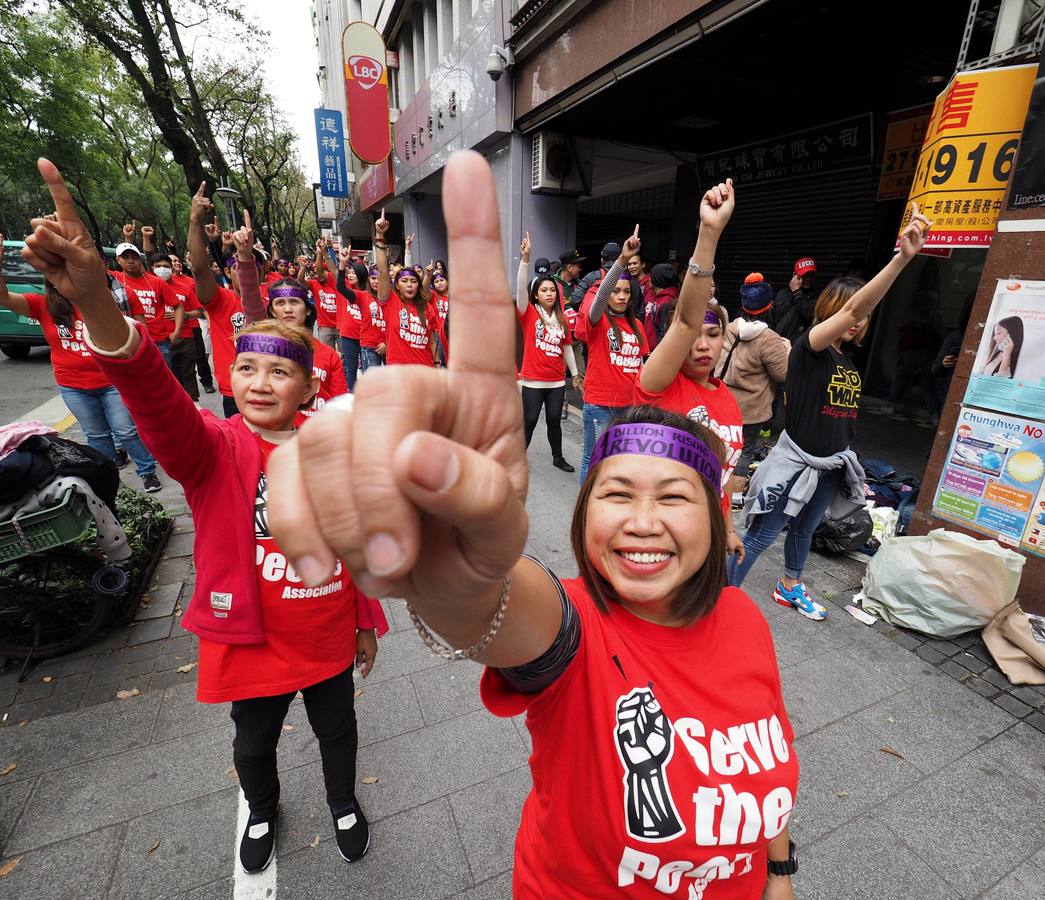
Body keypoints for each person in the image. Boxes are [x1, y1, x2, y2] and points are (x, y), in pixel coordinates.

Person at [262, 150, 801, 900]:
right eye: (615, 496)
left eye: (674, 500)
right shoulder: (576, 629)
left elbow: (757, 763)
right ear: (581, 517)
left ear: (714, 520)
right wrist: (458, 570)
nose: (643, 522)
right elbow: (506, 613)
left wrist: (778, 869)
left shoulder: (745, 620)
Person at [21, 158, 385, 875]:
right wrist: (98, 303)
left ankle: (343, 801)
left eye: (279, 371)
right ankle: (263, 807)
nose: (259, 382)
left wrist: (365, 619)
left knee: (336, 729)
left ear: (309, 383)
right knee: (252, 745)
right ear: (230, 376)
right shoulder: (213, 447)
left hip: (321, 630)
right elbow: (152, 393)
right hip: (249, 639)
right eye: (247, 368)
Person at [729, 204, 933, 620]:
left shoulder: (848, 362)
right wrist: (902, 259)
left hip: (832, 464)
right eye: (846, 312)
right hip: (796, 463)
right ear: (829, 311)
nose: (857, 321)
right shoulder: (810, 349)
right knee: (762, 535)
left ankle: (789, 586)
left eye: (863, 317)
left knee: (805, 529)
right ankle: (720, 599)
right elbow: (853, 310)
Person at [633, 180, 746, 561]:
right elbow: (685, 320)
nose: (703, 344)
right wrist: (710, 232)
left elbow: (725, 474)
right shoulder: (658, 385)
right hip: (662, 537)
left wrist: (729, 529)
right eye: (695, 336)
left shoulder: (728, 398)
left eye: (714, 335)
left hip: (709, 535)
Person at [0, 234, 162, 492]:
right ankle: (111, 481)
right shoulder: (42, 305)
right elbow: (5, 298)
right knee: (96, 436)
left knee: (126, 430)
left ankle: (147, 471)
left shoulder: (98, 301)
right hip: (73, 387)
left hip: (111, 382)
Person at [188, 188, 268, 418]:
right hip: (234, 391)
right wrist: (195, 221)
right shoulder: (221, 300)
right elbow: (199, 268)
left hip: (269, 387)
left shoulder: (273, 300)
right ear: (227, 272)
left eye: (253, 265)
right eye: (238, 266)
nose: (244, 271)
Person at [574, 229, 646, 481]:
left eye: (626, 291)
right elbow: (600, 294)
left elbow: (642, 366)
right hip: (600, 405)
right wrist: (622, 261)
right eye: (616, 291)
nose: (622, 296)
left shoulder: (637, 325)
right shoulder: (598, 319)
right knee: (594, 460)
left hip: (629, 407)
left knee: (618, 461)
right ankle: (588, 508)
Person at [516, 232, 580, 472]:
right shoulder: (529, 314)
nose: (549, 294)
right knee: (529, 421)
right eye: (544, 290)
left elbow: (567, 347)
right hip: (533, 381)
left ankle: (557, 456)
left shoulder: (562, 319)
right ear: (536, 294)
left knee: (555, 421)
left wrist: (574, 373)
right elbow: (521, 290)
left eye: (552, 290)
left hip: (556, 382)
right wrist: (524, 260)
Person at [717, 274, 790, 479]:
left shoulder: (730, 328)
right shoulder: (770, 339)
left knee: (720, 447)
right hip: (751, 409)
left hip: (722, 401)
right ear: (769, 306)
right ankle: (734, 501)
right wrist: (789, 350)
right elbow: (783, 374)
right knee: (743, 452)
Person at [265, 278, 348, 422]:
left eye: (294, 302)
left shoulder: (329, 355)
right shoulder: (263, 351)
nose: (288, 309)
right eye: (280, 303)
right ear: (272, 310)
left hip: (319, 434)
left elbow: (340, 405)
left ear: (308, 309)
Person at [111, 238, 184, 367]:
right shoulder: (114, 279)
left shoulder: (157, 282)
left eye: (134, 257)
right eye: (126, 257)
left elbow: (178, 306)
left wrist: (177, 331)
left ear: (140, 260)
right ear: (118, 260)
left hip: (158, 341)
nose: (131, 261)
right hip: (128, 341)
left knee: (162, 381)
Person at [148, 251, 201, 402]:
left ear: (172, 269)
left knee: (188, 373)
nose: (162, 269)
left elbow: (198, 311)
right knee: (168, 375)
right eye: (158, 266)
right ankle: (175, 404)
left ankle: (194, 403)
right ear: (152, 268)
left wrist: (184, 315)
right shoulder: (148, 289)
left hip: (185, 338)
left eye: (166, 266)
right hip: (161, 340)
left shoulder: (184, 288)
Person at [376, 249, 442, 367]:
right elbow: (382, 271)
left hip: (425, 369)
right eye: (404, 281)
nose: (409, 285)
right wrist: (380, 237)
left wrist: (437, 363)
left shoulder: (427, 307)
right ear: (396, 285)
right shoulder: (391, 302)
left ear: (418, 285)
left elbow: (432, 341)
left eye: (413, 281)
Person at [172, 252, 216, 394]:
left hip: (193, 326)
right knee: (177, 364)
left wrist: (184, 315)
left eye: (178, 261)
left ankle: (207, 382)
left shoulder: (189, 282)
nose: (177, 263)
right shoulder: (161, 283)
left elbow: (200, 307)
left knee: (200, 356)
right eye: (173, 261)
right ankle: (180, 393)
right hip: (171, 331)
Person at [357, 211, 392, 372]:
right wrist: (379, 235)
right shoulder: (363, 296)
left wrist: (387, 343)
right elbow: (383, 271)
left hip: (390, 345)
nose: (377, 281)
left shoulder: (393, 298)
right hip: (369, 347)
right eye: (373, 278)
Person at [333, 248, 364, 390]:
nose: (350, 275)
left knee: (369, 369)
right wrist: (342, 265)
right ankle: (351, 395)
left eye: (353, 273)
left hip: (366, 337)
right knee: (350, 368)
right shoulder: (348, 291)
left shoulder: (369, 293)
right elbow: (339, 286)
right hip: (349, 335)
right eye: (349, 273)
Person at [773, 258, 817, 343]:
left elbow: (809, 313)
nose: (808, 278)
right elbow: (773, 319)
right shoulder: (782, 294)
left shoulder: (818, 294)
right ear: (794, 275)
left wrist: (796, 292)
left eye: (811, 275)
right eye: (804, 275)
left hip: (802, 346)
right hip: (780, 344)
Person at [642, 263, 680, 352]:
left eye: (652, 276)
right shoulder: (655, 296)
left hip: (656, 353)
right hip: (647, 350)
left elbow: (664, 333)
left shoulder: (669, 302)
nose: (649, 279)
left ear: (658, 279)